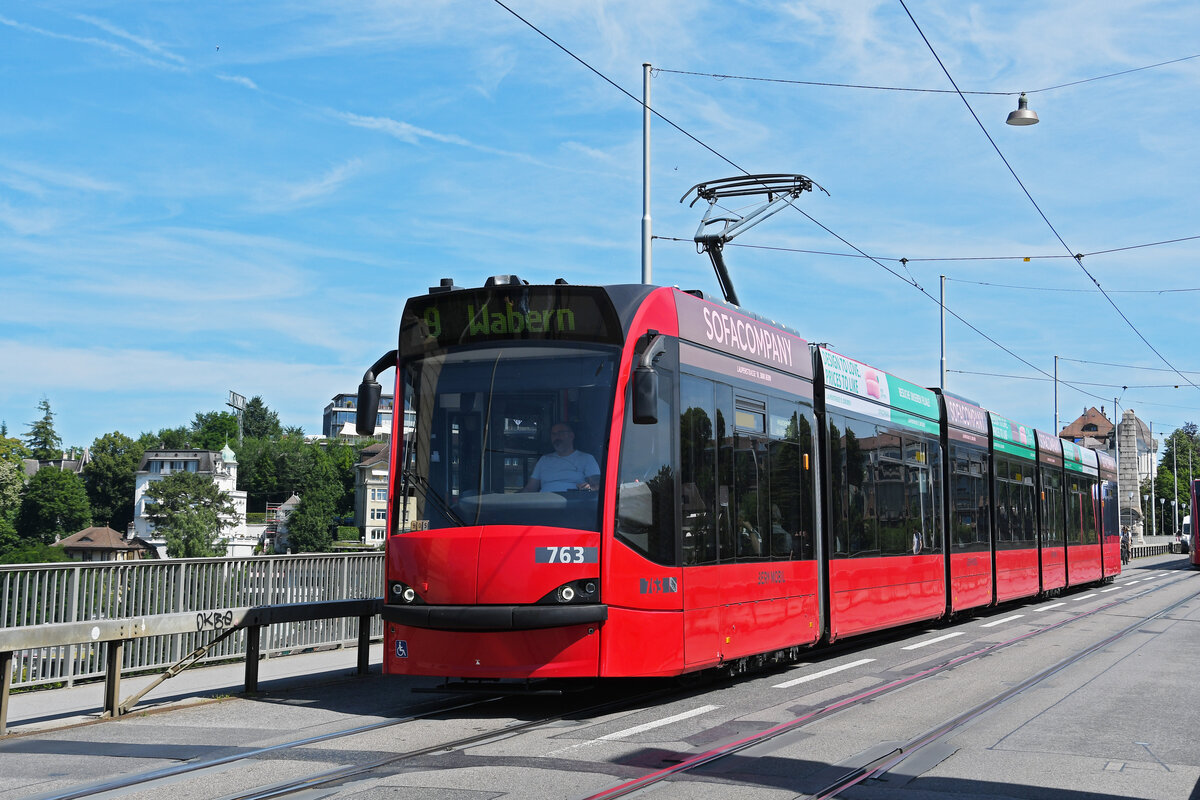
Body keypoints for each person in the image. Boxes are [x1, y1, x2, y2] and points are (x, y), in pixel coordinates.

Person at [522, 422, 601, 492]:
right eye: (553, 434)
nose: (557, 437)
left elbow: (598, 486)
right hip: (544, 505)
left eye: (560, 433)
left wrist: (588, 488)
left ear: (571, 435)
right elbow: (530, 488)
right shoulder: (544, 459)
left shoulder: (586, 458)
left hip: (573, 505)